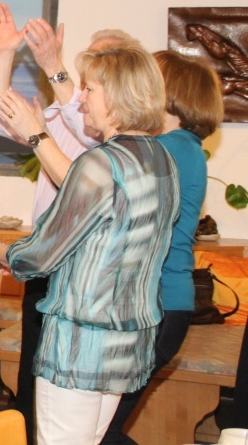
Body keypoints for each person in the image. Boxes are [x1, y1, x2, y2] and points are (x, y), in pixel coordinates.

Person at [0, 44, 180, 445]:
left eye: (90, 89)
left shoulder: (102, 163)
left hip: (81, 342)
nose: (81, 99)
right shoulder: (161, 159)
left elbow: (41, 255)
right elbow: (102, 225)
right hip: (127, 337)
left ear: (117, 97)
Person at [0, 1, 138, 442]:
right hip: (45, 262)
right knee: (33, 377)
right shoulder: (69, 109)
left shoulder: (108, 129)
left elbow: (80, 143)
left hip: (85, 275)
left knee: (69, 396)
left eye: (102, 63)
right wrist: (6, 54)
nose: (86, 79)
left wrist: (53, 67)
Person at [101, 51, 224, 443]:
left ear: (169, 94)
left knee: (98, 430)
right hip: (162, 303)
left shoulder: (167, 149)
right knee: (100, 427)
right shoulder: (180, 146)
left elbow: (94, 194)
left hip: (156, 305)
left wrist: (37, 136)